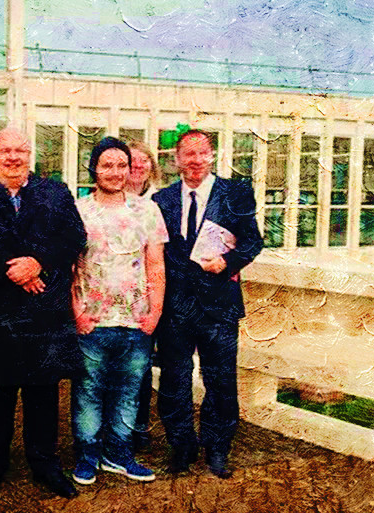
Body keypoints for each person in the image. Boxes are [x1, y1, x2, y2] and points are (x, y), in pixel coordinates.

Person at [0, 127, 85, 500]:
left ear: (30, 155)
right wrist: (13, 270)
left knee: (42, 397)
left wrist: (38, 262)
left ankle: (45, 465)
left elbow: (75, 237)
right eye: (5, 151)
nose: (13, 158)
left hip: (42, 315)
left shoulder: (55, 192)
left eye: (20, 151)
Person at [152, 129, 263, 479]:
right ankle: (181, 447)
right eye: (189, 154)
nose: (196, 160)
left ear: (212, 156)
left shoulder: (235, 193)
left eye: (202, 153)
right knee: (174, 380)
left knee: (220, 380)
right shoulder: (161, 199)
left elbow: (253, 242)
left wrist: (228, 263)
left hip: (219, 305)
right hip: (175, 308)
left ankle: (217, 449)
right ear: (177, 159)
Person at [70, 137, 167, 486]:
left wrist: (154, 313)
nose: (115, 172)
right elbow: (69, 267)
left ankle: (119, 454)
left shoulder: (147, 211)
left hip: (136, 321)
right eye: (107, 165)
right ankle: (87, 457)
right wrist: (77, 312)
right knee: (89, 393)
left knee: (129, 392)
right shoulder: (79, 210)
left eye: (121, 165)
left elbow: (155, 265)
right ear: (94, 169)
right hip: (93, 322)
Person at [125, 140, 162, 452]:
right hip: (113, 298)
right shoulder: (106, 199)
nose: (138, 166)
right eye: (132, 161)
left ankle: (138, 425)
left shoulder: (160, 202)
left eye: (144, 160)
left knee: (141, 366)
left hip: (149, 298)